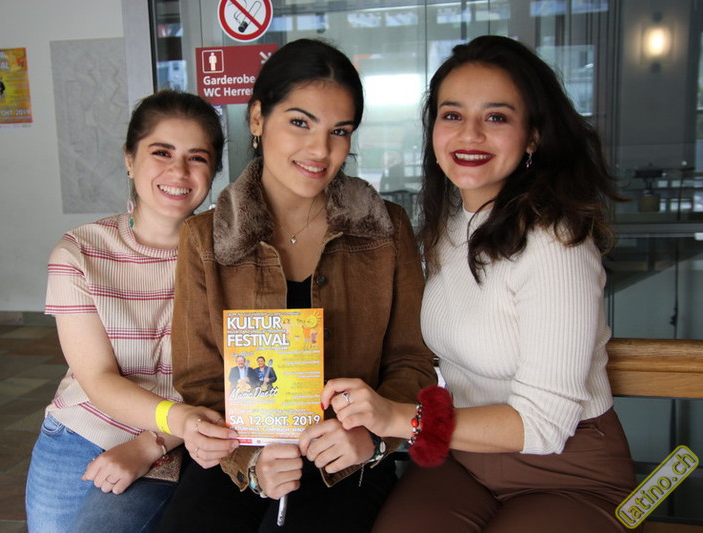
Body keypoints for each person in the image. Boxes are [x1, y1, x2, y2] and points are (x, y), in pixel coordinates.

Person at [322, 35, 638, 532]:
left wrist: (397, 418)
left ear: (532, 136)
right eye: (452, 115)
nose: (469, 135)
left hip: (568, 471)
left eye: (496, 117)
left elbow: (543, 425)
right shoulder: (450, 222)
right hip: (464, 458)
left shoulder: (557, 245)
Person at [161, 38, 437, 532]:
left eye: (339, 131)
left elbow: (411, 361)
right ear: (257, 118)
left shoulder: (384, 229)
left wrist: (371, 438)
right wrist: (250, 460)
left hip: (347, 457)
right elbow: (200, 382)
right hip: (240, 448)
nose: (320, 150)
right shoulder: (206, 237)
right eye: (300, 122)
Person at [25, 90, 239, 533]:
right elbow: (98, 379)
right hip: (84, 430)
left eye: (197, 157)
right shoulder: (79, 252)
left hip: (186, 434)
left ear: (214, 171)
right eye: (161, 152)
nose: (178, 171)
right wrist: (173, 423)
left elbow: (237, 378)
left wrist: (154, 442)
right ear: (129, 159)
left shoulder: (233, 255)